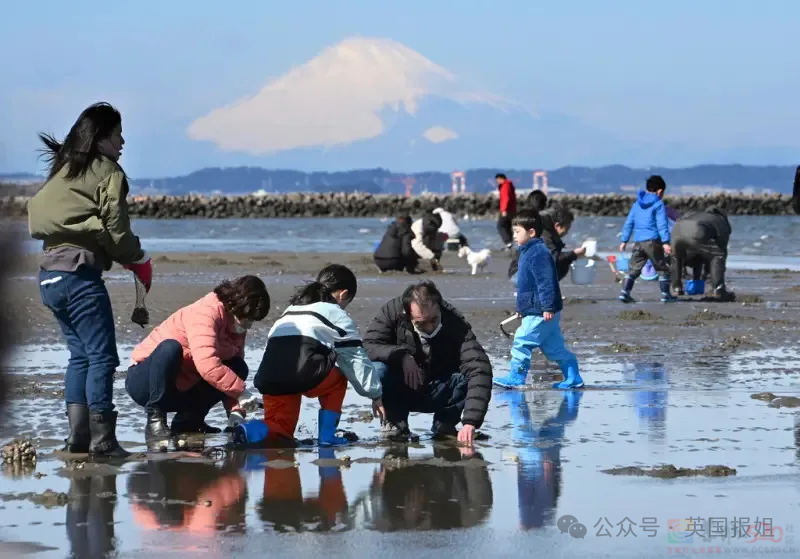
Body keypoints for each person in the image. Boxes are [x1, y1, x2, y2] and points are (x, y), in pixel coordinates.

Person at [27, 102, 152, 458]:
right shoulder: (107, 171)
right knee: (102, 357)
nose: (123, 141)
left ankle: (77, 439)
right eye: (116, 134)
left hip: (49, 277)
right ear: (100, 138)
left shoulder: (64, 168)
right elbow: (117, 228)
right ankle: (103, 440)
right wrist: (136, 258)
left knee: (79, 356)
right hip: (79, 275)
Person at [247, 264, 383, 446]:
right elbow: (355, 360)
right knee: (341, 376)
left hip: (269, 377)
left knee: (280, 432)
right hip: (301, 376)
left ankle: (247, 430)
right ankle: (327, 438)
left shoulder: (289, 311)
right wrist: (375, 394)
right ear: (343, 295)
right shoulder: (336, 315)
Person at [126, 276, 269, 443]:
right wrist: (241, 392)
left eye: (252, 320)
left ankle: (189, 421)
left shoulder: (237, 323)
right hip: (145, 383)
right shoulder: (206, 312)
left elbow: (232, 372)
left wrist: (236, 413)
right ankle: (155, 420)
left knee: (238, 366)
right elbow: (207, 364)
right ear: (236, 304)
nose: (249, 325)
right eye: (248, 318)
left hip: (183, 386)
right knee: (170, 348)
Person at [363, 280, 493, 444]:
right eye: (421, 323)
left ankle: (445, 426)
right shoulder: (392, 312)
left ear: (439, 307)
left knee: (468, 376)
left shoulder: (454, 322)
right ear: (407, 315)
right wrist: (401, 356)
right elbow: (367, 347)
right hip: (399, 388)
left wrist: (470, 422)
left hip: (438, 388)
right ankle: (394, 424)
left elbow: (479, 368)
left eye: (433, 320)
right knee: (378, 368)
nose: (430, 327)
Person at [493, 209, 584, 390]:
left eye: (517, 231)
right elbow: (526, 286)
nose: (514, 236)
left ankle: (516, 376)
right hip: (537, 310)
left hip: (542, 311)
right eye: (513, 231)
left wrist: (548, 307)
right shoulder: (527, 252)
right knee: (553, 349)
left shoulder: (539, 253)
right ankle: (573, 377)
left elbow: (546, 282)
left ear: (531, 232)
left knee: (521, 340)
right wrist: (522, 308)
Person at [617, 175, 677, 304]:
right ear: (660, 191)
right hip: (653, 241)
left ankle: (624, 293)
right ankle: (666, 295)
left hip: (638, 242)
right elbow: (662, 224)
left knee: (633, 269)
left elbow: (629, 222)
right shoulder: (658, 204)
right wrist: (666, 242)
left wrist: (624, 240)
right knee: (662, 268)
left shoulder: (637, 204)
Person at [508, 203, 586, 283]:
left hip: (522, 273)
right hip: (519, 275)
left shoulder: (546, 232)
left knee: (562, 263)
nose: (567, 232)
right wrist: (574, 253)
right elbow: (551, 259)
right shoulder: (545, 235)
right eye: (567, 228)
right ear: (557, 225)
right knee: (561, 265)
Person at [670, 206, 733, 300]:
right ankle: (719, 290)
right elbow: (720, 251)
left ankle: (676, 288)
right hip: (697, 230)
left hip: (677, 230)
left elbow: (696, 253)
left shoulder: (701, 216)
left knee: (676, 257)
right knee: (718, 255)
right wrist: (710, 273)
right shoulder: (721, 222)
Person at [495, 173, 517, 250]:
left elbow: (506, 198)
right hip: (512, 209)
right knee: (507, 226)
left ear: (501, 178)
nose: (497, 182)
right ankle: (510, 243)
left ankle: (508, 243)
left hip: (506, 210)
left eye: (497, 180)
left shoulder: (505, 185)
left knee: (500, 226)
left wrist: (504, 209)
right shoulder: (510, 185)